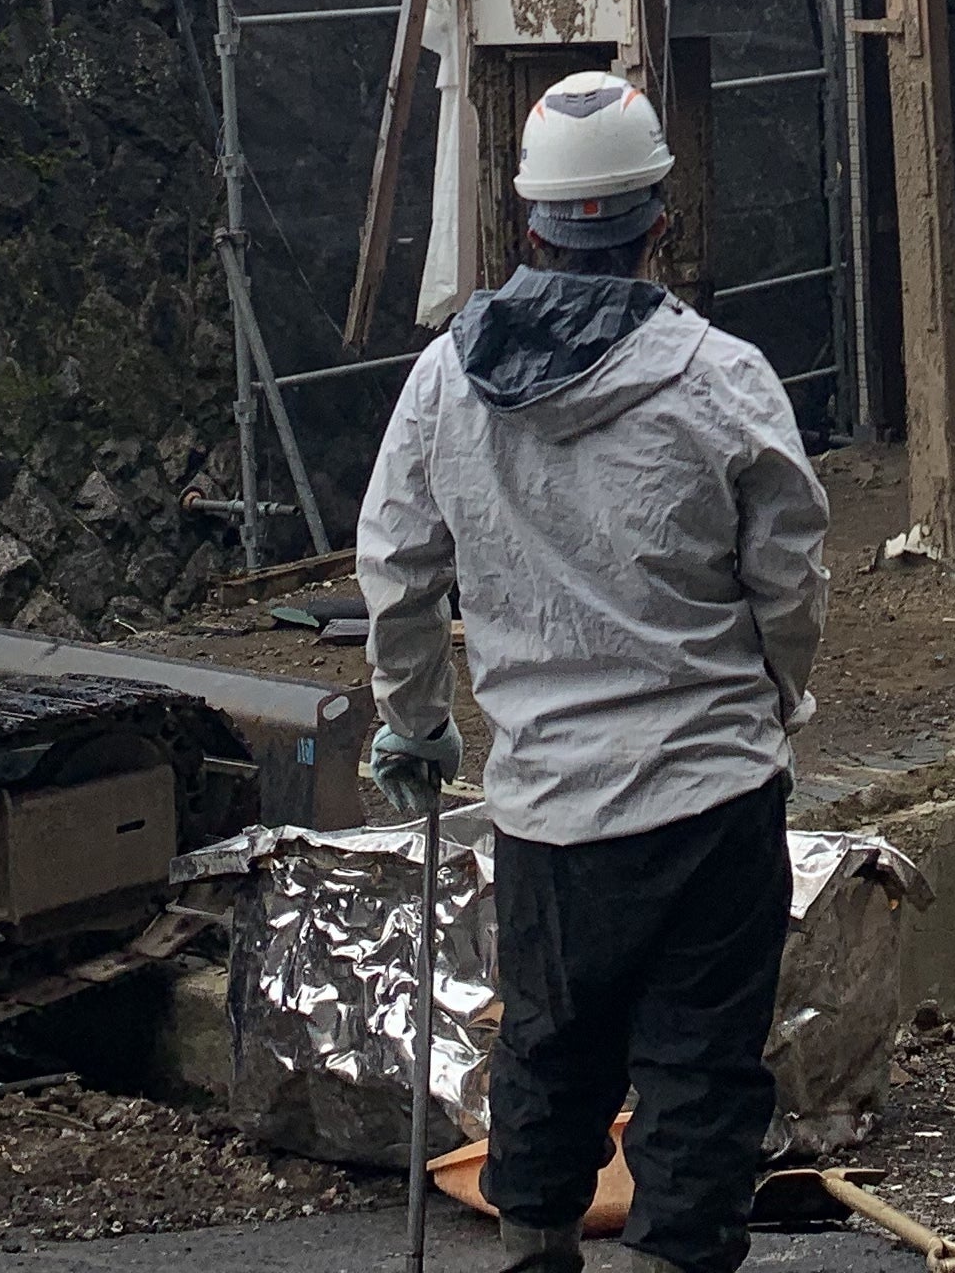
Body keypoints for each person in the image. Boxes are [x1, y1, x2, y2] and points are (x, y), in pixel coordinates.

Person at [358, 70, 829, 1273]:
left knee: (550, 1048)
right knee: (700, 1067)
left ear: (530, 229)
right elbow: (790, 579)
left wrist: (414, 722)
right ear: (659, 223)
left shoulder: (443, 384)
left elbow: (397, 568)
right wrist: (779, 697)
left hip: (550, 810)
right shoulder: (723, 380)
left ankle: (534, 1250)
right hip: (711, 794)